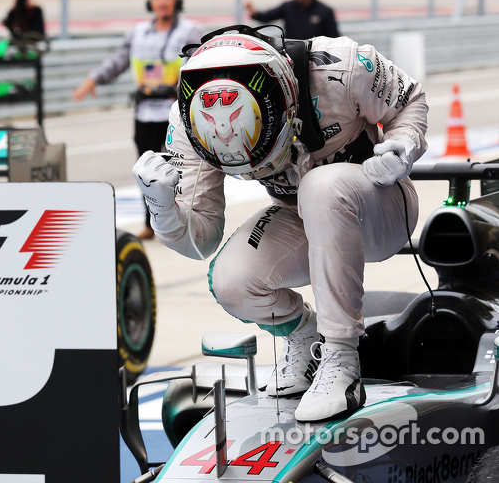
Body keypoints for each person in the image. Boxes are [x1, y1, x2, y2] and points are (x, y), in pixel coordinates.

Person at [132, 25, 427, 421]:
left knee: (321, 185)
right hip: (300, 213)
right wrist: (162, 206)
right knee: (231, 280)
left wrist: (404, 144)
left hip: (381, 205)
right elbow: (200, 241)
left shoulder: (340, 65)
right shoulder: (188, 121)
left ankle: (341, 358)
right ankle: (302, 337)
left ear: (285, 102)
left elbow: (410, 99)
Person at [73, 0, 201, 240]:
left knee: (181, 170)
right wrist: (93, 79)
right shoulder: (138, 33)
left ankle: (185, 221)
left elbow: (202, 63)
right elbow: (118, 60)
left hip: (175, 112)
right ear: (150, 3)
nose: (162, 2)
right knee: (147, 172)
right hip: (144, 113)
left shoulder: (191, 31)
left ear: (176, 1)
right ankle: (150, 223)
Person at [245, 0, 339, 40]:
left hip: (316, 61)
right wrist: (254, 12)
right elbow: (268, 16)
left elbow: (334, 38)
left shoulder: (325, 11)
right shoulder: (288, 7)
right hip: (292, 58)